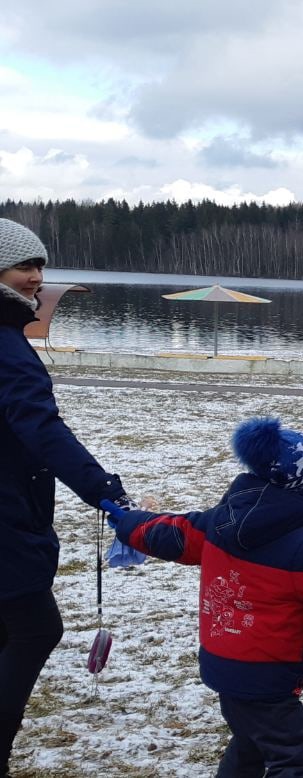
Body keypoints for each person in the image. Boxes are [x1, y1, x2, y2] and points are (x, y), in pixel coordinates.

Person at [107, 417, 303, 777]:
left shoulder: (220, 521)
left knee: (250, 742)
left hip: (222, 665)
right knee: (289, 755)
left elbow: (171, 534)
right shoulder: (300, 548)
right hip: (268, 674)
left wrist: (129, 522)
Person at [0, 218, 135, 776]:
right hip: (7, 515)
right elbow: (41, 427)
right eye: (23, 266)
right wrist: (103, 490)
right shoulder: (6, 344)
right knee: (36, 629)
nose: (36, 277)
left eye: (40, 265)